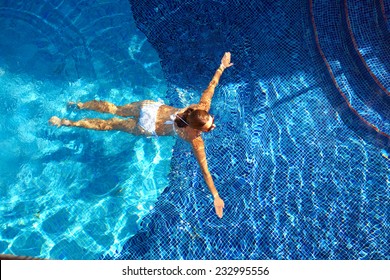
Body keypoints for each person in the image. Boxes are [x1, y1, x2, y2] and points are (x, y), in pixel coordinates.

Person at [49, 52, 233, 218]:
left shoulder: (199, 109)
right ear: (199, 129)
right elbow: (205, 170)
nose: (213, 125)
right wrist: (216, 196)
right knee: (109, 125)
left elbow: (210, 88)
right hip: (148, 126)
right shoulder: (194, 139)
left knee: (115, 109)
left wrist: (221, 67)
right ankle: (67, 123)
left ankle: (78, 105)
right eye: (209, 127)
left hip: (151, 108)